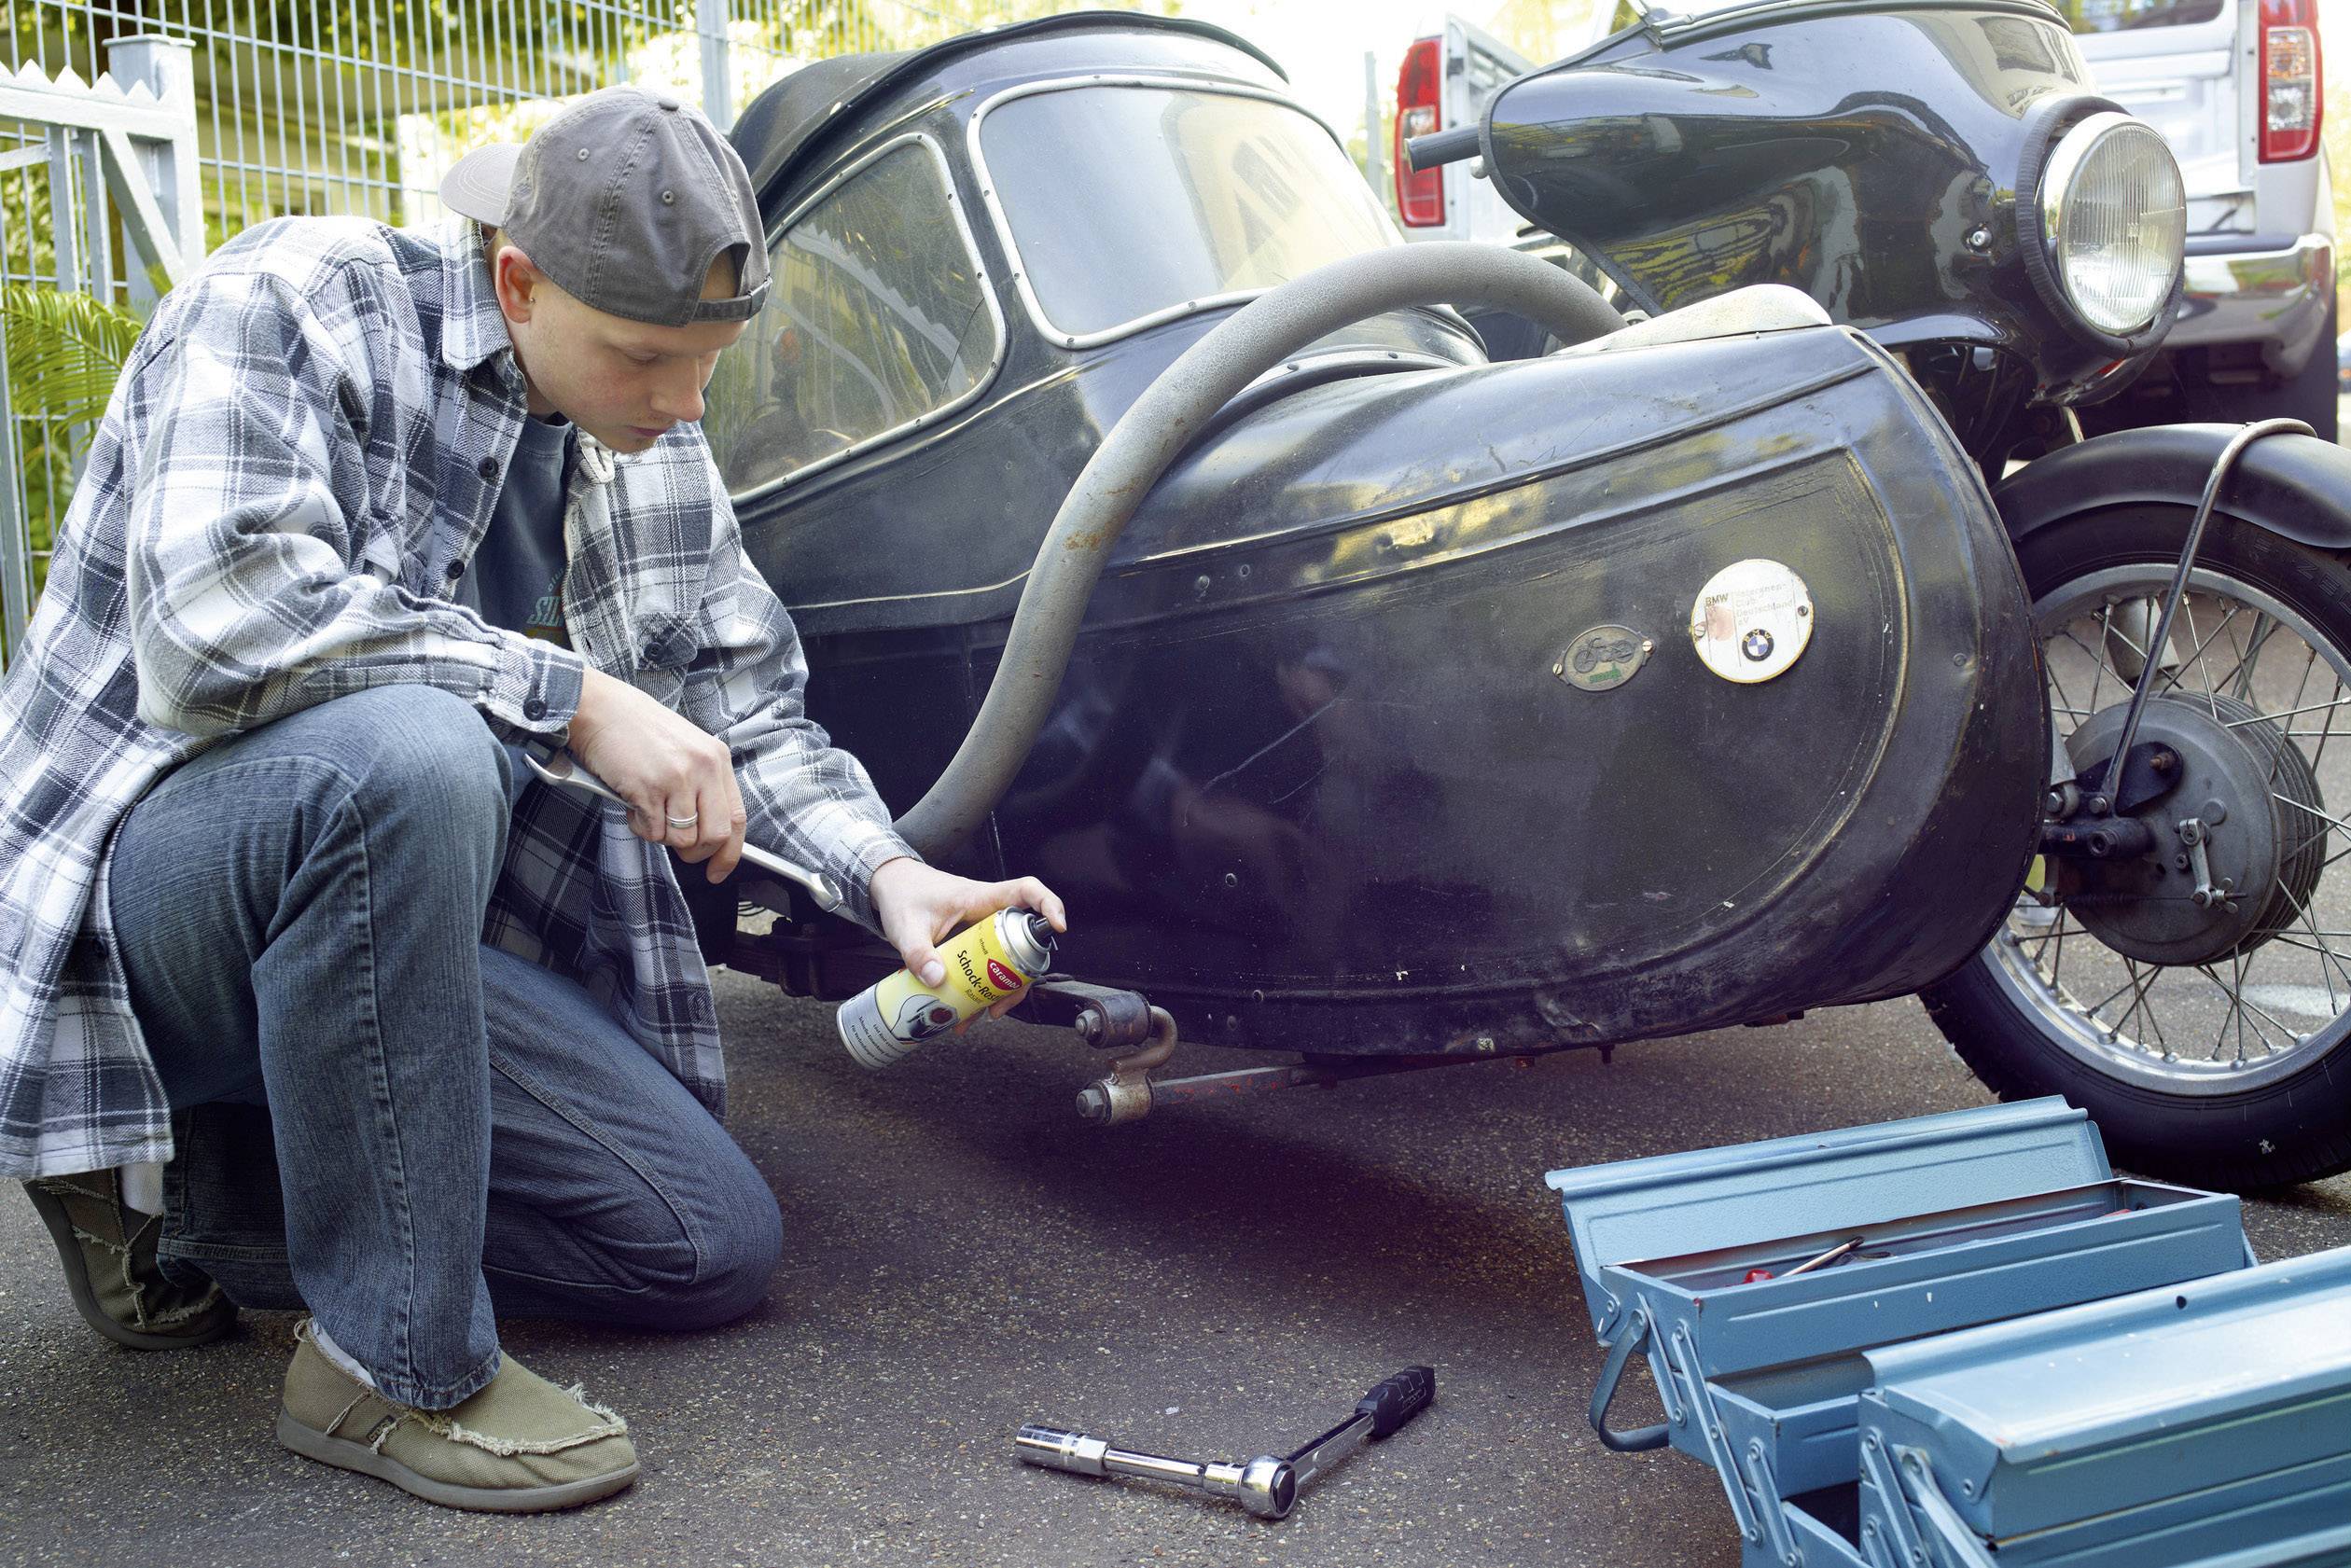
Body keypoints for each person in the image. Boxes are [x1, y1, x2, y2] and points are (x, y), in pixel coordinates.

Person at [0, 85, 1062, 1514]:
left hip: (389, 958)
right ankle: (390, 1364)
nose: (684, 404)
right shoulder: (295, 296)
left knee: (704, 1244)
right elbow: (219, 617)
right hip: (158, 910)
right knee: (412, 751)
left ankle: (187, 1195)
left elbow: (742, 707)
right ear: (517, 280)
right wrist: (578, 696)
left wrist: (887, 874)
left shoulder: (647, 440)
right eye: (646, 357)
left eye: (707, 363)